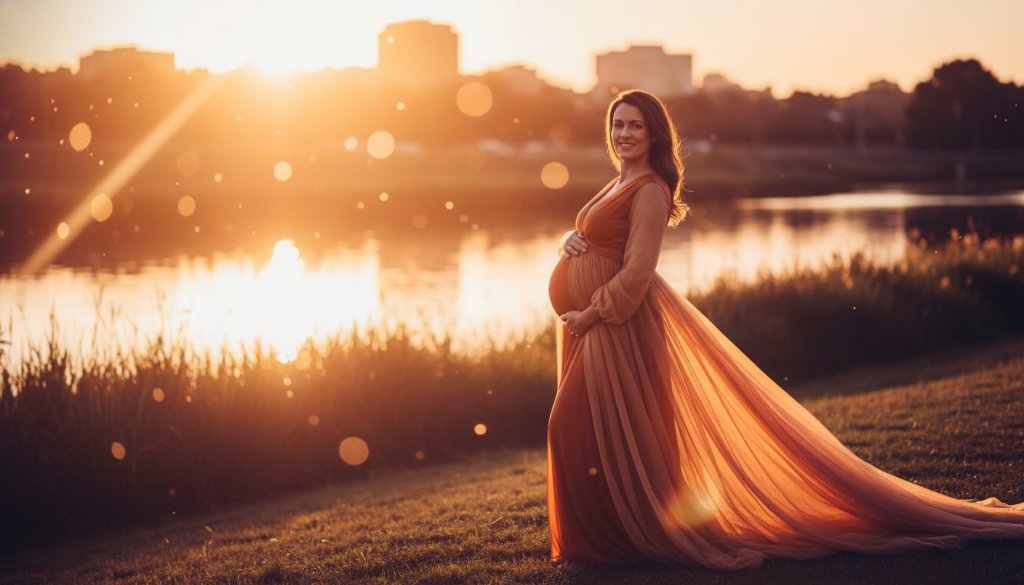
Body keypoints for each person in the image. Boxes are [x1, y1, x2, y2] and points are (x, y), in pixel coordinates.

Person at [545, 89, 1024, 569]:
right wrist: (575, 237)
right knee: (593, 432)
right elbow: (602, 237)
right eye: (617, 124)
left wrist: (591, 313)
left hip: (616, 322)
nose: (623, 134)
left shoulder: (649, 187)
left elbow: (639, 269)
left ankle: (612, 540)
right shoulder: (618, 181)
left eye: (634, 126)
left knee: (568, 425)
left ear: (654, 135)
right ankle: (607, 543)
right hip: (595, 323)